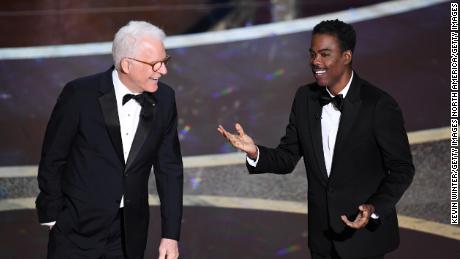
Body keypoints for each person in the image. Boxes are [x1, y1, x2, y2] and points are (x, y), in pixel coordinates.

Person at [218, 19, 414, 259]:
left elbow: (402, 169)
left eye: (324, 54)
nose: (316, 62)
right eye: (312, 54)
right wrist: (254, 152)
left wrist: (374, 208)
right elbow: (288, 156)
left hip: (364, 242)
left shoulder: (379, 105)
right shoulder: (305, 98)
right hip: (322, 240)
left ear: (346, 56)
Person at [36, 21, 183, 259]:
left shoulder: (165, 99)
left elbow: (169, 168)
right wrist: (53, 217)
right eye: (155, 64)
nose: (163, 71)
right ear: (127, 64)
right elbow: (53, 157)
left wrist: (171, 234)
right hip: (75, 229)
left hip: (128, 234)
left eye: (164, 61)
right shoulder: (79, 94)